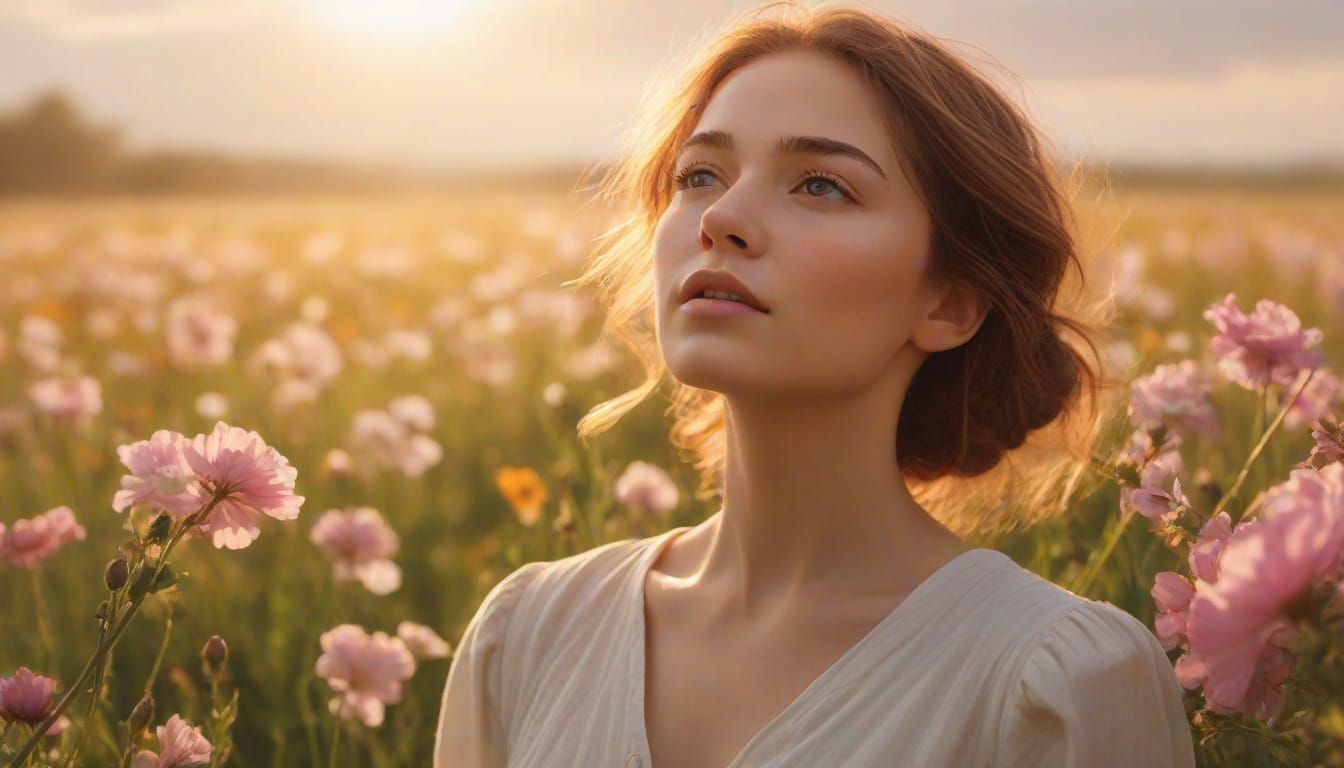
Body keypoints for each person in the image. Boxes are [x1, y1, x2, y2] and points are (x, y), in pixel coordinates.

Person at [435, 2, 1196, 766]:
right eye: (699, 174)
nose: (721, 217)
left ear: (950, 302)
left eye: (821, 186)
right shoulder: (530, 635)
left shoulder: (1056, 681)